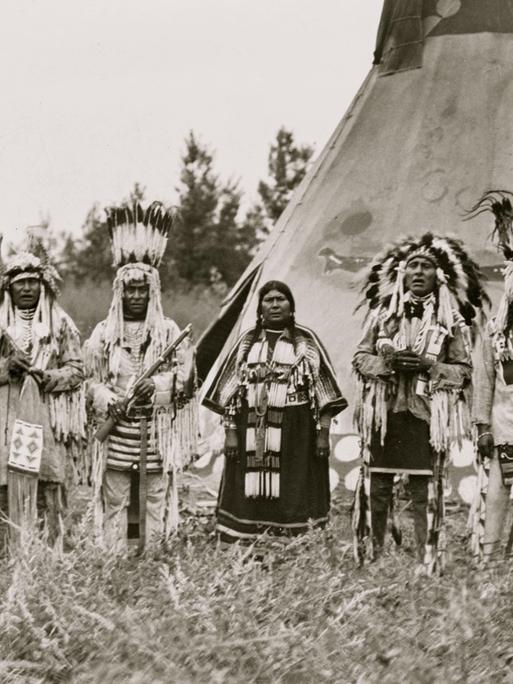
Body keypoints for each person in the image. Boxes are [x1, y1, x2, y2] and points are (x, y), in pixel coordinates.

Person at [352, 233, 487, 571]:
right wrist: (387, 364)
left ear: (438, 276)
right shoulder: (382, 316)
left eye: (426, 266)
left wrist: (429, 366)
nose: (418, 272)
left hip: (425, 414)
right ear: (402, 274)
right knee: (378, 484)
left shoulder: (450, 322)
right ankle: (374, 555)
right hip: (384, 412)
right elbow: (359, 357)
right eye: (412, 265)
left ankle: (425, 559)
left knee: (423, 489)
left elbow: (463, 370)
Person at [84, 201, 196, 554]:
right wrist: (108, 399)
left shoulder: (168, 331)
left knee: (154, 499)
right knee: (115, 498)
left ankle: (153, 559)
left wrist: (158, 386)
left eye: (141, 289)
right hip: (116, 431)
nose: (136, 295)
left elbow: (187, 381)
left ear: (153, 292)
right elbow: (90, 382)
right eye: (129, 289)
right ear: (119, 292)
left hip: (155, 433)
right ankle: (113, 558)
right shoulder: (103, 334)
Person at [203, 280, 347, 543]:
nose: (275, 304)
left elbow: (326, 394)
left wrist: (323, 434)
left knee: (293, 485)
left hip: (296, 428)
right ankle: (247, 537)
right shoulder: (247, 342)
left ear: (291, 307)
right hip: (251, 427)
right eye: (268, 300)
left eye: (281, 299)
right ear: (260, 308)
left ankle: (293, 540)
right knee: (249, 486)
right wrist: (231, 432)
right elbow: (227, 392)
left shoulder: (306, 341)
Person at [0, 231, 85, 547]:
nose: (26, 287)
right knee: (4, 486)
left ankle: (46, 553)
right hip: (4, 421)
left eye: (32, 281)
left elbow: (77, 370)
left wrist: (49, 377)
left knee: (46, 485)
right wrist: (5, 369)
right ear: (9, 286)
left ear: (43, 285)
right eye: (19, 282)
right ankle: (7, 554)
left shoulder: (60, 324)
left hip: (45, 420)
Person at [470, 190, 513, 562]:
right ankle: (491, 554)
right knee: (501, 482)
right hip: (506, 418)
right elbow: (484, 373)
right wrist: (482, 423)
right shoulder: (497, 327)